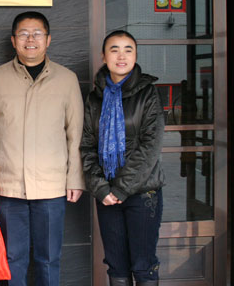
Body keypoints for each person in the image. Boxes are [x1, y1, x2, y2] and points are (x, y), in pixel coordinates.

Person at [0, 11, 85, 286]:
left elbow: (75, 135)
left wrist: (75, 179)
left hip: (52, 188)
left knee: (49, 259)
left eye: (37, 34)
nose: (30, 39)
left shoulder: (67, 79)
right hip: (8, 188)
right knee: (12, 259)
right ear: (13, 40)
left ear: (48, 39)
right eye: (23, 34)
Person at [80, 30, 165, 286]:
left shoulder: (148, 93)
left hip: (142, 193)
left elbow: (150, 147)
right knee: (116, 264)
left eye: (128, 50)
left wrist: (121, 188)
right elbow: (87, 146)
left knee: (143, 264)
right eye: (114, 49)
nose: (121, 56)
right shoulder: (95, 98)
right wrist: (101, 188)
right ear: (103, 56)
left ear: (135, 56)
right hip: (106, 195)